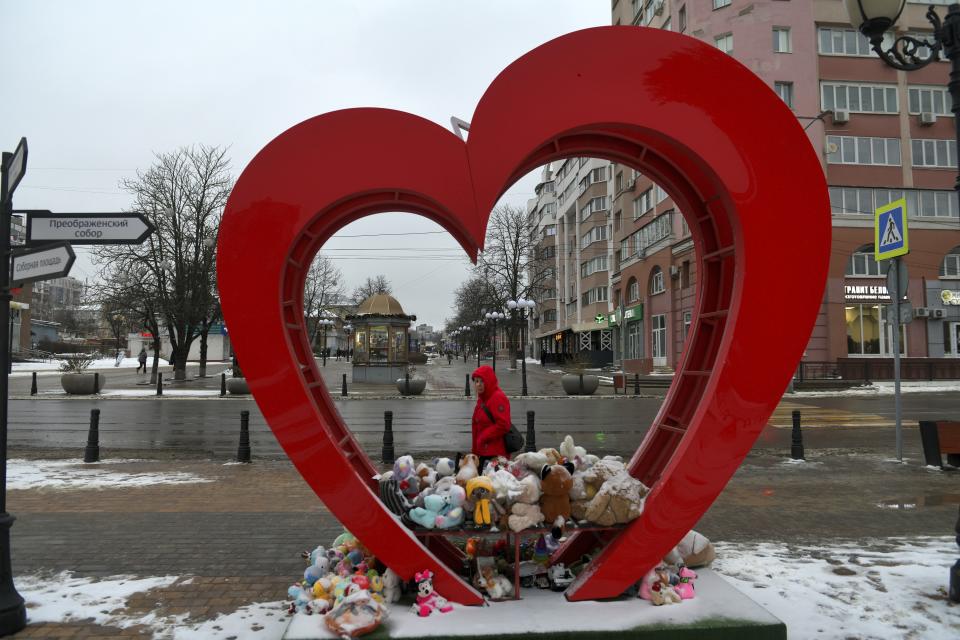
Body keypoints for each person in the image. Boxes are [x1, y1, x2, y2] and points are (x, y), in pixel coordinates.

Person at [470, 365, 511, 469]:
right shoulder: (482, 399)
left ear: (488, 381)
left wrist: (484, 436)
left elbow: (503, 424)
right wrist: (475, 452)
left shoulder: (497, 397)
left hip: (494, 454)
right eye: (476, 381)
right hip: (483, 453)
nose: (478, 385)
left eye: (482, 381)